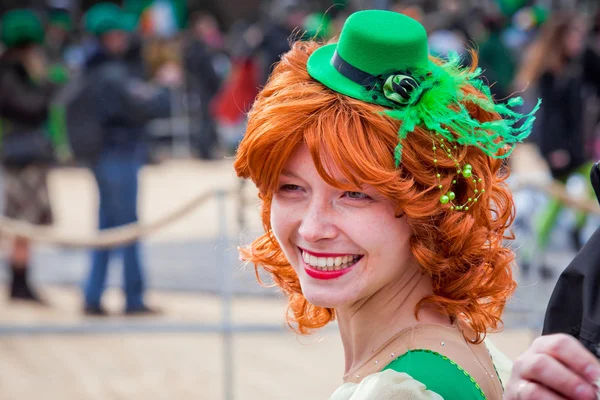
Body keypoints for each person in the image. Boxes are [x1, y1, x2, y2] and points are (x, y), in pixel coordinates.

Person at [234, 9, 548, 399]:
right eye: (291, 189)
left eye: (354, 195)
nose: (313, 227)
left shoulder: (400, 391)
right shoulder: (458, 348)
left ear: (428, 207)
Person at [81, 3, 172, 316]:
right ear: (106, 37)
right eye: (118, 33)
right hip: (117, 154)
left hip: (103, 154)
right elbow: (143, 105)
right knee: (128, 228)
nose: (124, 38)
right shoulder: (111, 73)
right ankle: (133, 297)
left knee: (107, 227)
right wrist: (164, 85)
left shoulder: (92, 68)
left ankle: (93, 295)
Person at [514, 13, 599, 278]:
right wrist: (555, 150)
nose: (578, 41)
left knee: (576, 190)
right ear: (561, 40)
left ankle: (560, 238)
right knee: (560, 198)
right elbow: (549, 116)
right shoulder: (551, 73)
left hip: (577, 147)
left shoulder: (576, 66)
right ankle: (533, 251)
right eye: (573, 36)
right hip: (561, 148)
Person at [0, 9, 61, 303]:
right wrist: (47, 88)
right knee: (22, 221)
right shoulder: (11, 72)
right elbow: (27, 107)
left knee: (27, 222)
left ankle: (21, 279)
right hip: (21, 156)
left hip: (23, 152)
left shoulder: (15, 71)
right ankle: (19, 281)